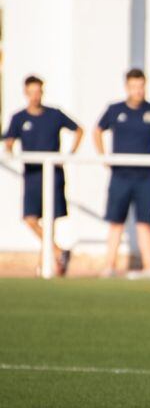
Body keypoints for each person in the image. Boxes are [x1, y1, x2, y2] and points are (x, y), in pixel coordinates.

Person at [93, 68, 150, 279]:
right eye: (133, 87)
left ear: (145, 86)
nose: (137, 91)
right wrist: (104, 157)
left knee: (145, 222)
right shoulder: (115, 110)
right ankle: (109, 266)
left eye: (140, 86)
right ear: (127, 87)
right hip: (120, 175)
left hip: (144, 177)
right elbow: (97, 130)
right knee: (115, 221)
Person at [3, 75, 83, 276]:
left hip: (53, 175)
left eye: (38, 91)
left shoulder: (54, 115)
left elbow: (79, 130)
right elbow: (9, 140)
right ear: (25, 93)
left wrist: (69, 154)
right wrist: (10, 149)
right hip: (32, 175)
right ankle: (58, 252)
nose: (35, 96)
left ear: (42, 92)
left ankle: (46, 266)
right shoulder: (19, 118)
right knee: (30, 218)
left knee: (49, 221)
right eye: (31, 92)